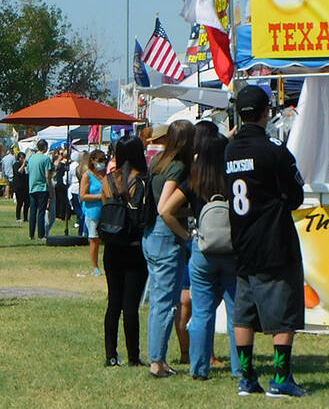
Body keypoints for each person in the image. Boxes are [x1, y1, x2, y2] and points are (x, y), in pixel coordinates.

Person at [224, 85, 309, 398]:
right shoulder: (273, 148)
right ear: (265, 112)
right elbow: (295, 193)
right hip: (273, 239)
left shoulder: (230, 150)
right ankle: (281, 377)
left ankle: (247, 378)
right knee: (283, 314)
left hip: (242, 240)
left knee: (243, 314)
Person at [160, 130, 242, 381]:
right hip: (232, 250)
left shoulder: (194, 180)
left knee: (202, 311)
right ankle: (240, 368)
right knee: (236, 313)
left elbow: (165, 210)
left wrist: (186, 235)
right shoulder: (234, 180)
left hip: (203, 248)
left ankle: (198, 368)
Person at [143, 119, 194, 378]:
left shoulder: (158, 161)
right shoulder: (178, 167)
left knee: (160, 302)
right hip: (166, 237)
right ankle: (157, 361)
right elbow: (166, 208)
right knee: (165, 303)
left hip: (150, 235)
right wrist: (185, 233)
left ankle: (158, 358)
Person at [101, 136, 150, 367]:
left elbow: (105, 208)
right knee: (131, 305)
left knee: (114, 304)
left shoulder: (109, 180)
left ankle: (111, 355)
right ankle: (133, 356)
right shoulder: (140, 181)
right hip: (134, 247)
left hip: (111, 246)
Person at [79, 150, 105, 275]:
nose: (102, 163)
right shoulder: (87, 175)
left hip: (106, 211)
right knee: (94, 239)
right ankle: (95, 267)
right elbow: (83, 196)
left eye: (104, 160)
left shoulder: (105, 174)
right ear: (92, 161)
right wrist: (99, 196)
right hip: (92, 211)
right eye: (100, 161)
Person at [26, 140, 53, 239]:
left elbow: (28, 170)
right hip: (42, 187)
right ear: (45, 147)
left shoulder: (31, 158)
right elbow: (47, 175)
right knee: (41, 211)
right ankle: (41, 234)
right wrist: (50, 188)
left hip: (32, 187)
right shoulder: (46, 159)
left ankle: (31, 234)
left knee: (33, 211)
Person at [12, 152, 29, 223]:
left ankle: (25, 217)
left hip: (25, 186)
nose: (23, 159)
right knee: (20, 203)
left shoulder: (26, 165)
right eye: (22, 158)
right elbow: (19, 172)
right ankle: (18, 217)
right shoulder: (16, 164)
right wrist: (23, 164)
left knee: (27, 202)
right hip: (18, 186)